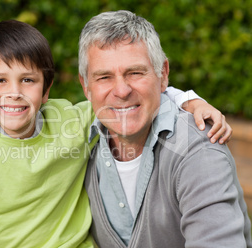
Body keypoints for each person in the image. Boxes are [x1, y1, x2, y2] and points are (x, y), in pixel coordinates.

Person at [0, 19, 232, 248]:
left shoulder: (69, 120)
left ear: (46, 90)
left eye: (28, 80)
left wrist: (189, 100)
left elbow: (129, 97)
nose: (14, 93)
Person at [79, 10, 252, 247]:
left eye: (135, 73)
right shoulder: (79, 142)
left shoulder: (197, 150)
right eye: (104, 77)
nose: (121, 91)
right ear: (86, 86)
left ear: (163, 74)